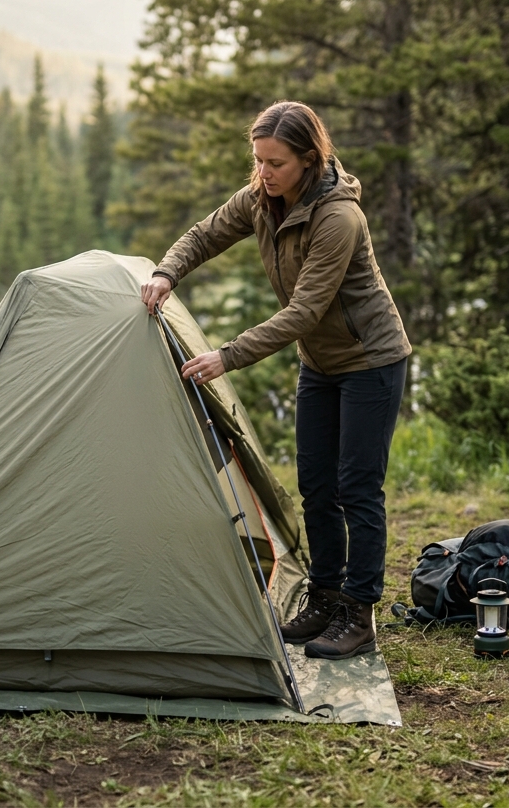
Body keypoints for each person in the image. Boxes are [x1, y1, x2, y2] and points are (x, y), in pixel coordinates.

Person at [140, 101, 411, 660]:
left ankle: (359, 615)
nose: (263, 173)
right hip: (322, 364)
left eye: (276, 163)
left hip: (371, 361)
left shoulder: (339, 218)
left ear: (310, 160)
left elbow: (305, 311)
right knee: (315, 484)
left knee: (356, 488)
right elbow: (204, 234)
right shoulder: (262, 199)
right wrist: (166, 271)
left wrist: (226, 356)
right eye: (258, 160)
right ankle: (325, 597)